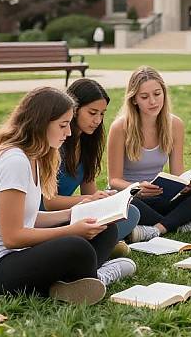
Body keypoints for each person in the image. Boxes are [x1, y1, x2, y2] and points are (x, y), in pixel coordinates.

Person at [0, 87, 136, 305]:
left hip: (17, 255)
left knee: (106, 227)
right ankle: (97, 276)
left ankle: (72, 282)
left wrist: (76, 212)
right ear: (41, 123)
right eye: (63, 125)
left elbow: (29, 217)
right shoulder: (14, 161)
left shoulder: (35, 157)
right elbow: (12, 237)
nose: (69, 132)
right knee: (77, 246)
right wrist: (71, 230)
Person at [107, 66, 191, 242]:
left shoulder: (175, 125)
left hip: (161, 196)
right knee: (124, 202)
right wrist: (137, 188)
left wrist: (184, 185)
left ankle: (156, 228)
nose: (153, 101)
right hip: (132, 197)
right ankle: (180, 223)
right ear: (134, 99)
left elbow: (177, 174)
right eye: (144, 97)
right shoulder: (120, 127)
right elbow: (114, 181)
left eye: (157, 94)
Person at [42, 78, 140, 256]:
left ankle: (100, 243)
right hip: (45, 218)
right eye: (92, 113)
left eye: (102, 114)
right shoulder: (56, 143)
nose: (97, 120)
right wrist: (90, 200)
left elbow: (89, 189)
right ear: (73, 109)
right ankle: (100, 245)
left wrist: (104, 200)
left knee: (131, 212)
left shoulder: (88, 143)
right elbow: (50, 203)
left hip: (70, 214)